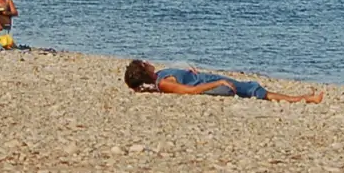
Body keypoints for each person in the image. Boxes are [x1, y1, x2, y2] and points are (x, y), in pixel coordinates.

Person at [123, 60, 324, 103]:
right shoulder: (163, 83)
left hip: (209, 78)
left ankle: (305, 98)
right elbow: (189, 91)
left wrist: (187, 70)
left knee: (252, 87)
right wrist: (215, 83)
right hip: (212, 82)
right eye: (144, 64)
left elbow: (184, 77)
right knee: (253, 89)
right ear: (143, 71)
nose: (148, 62)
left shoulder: (161, 75)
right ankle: (305, 99)